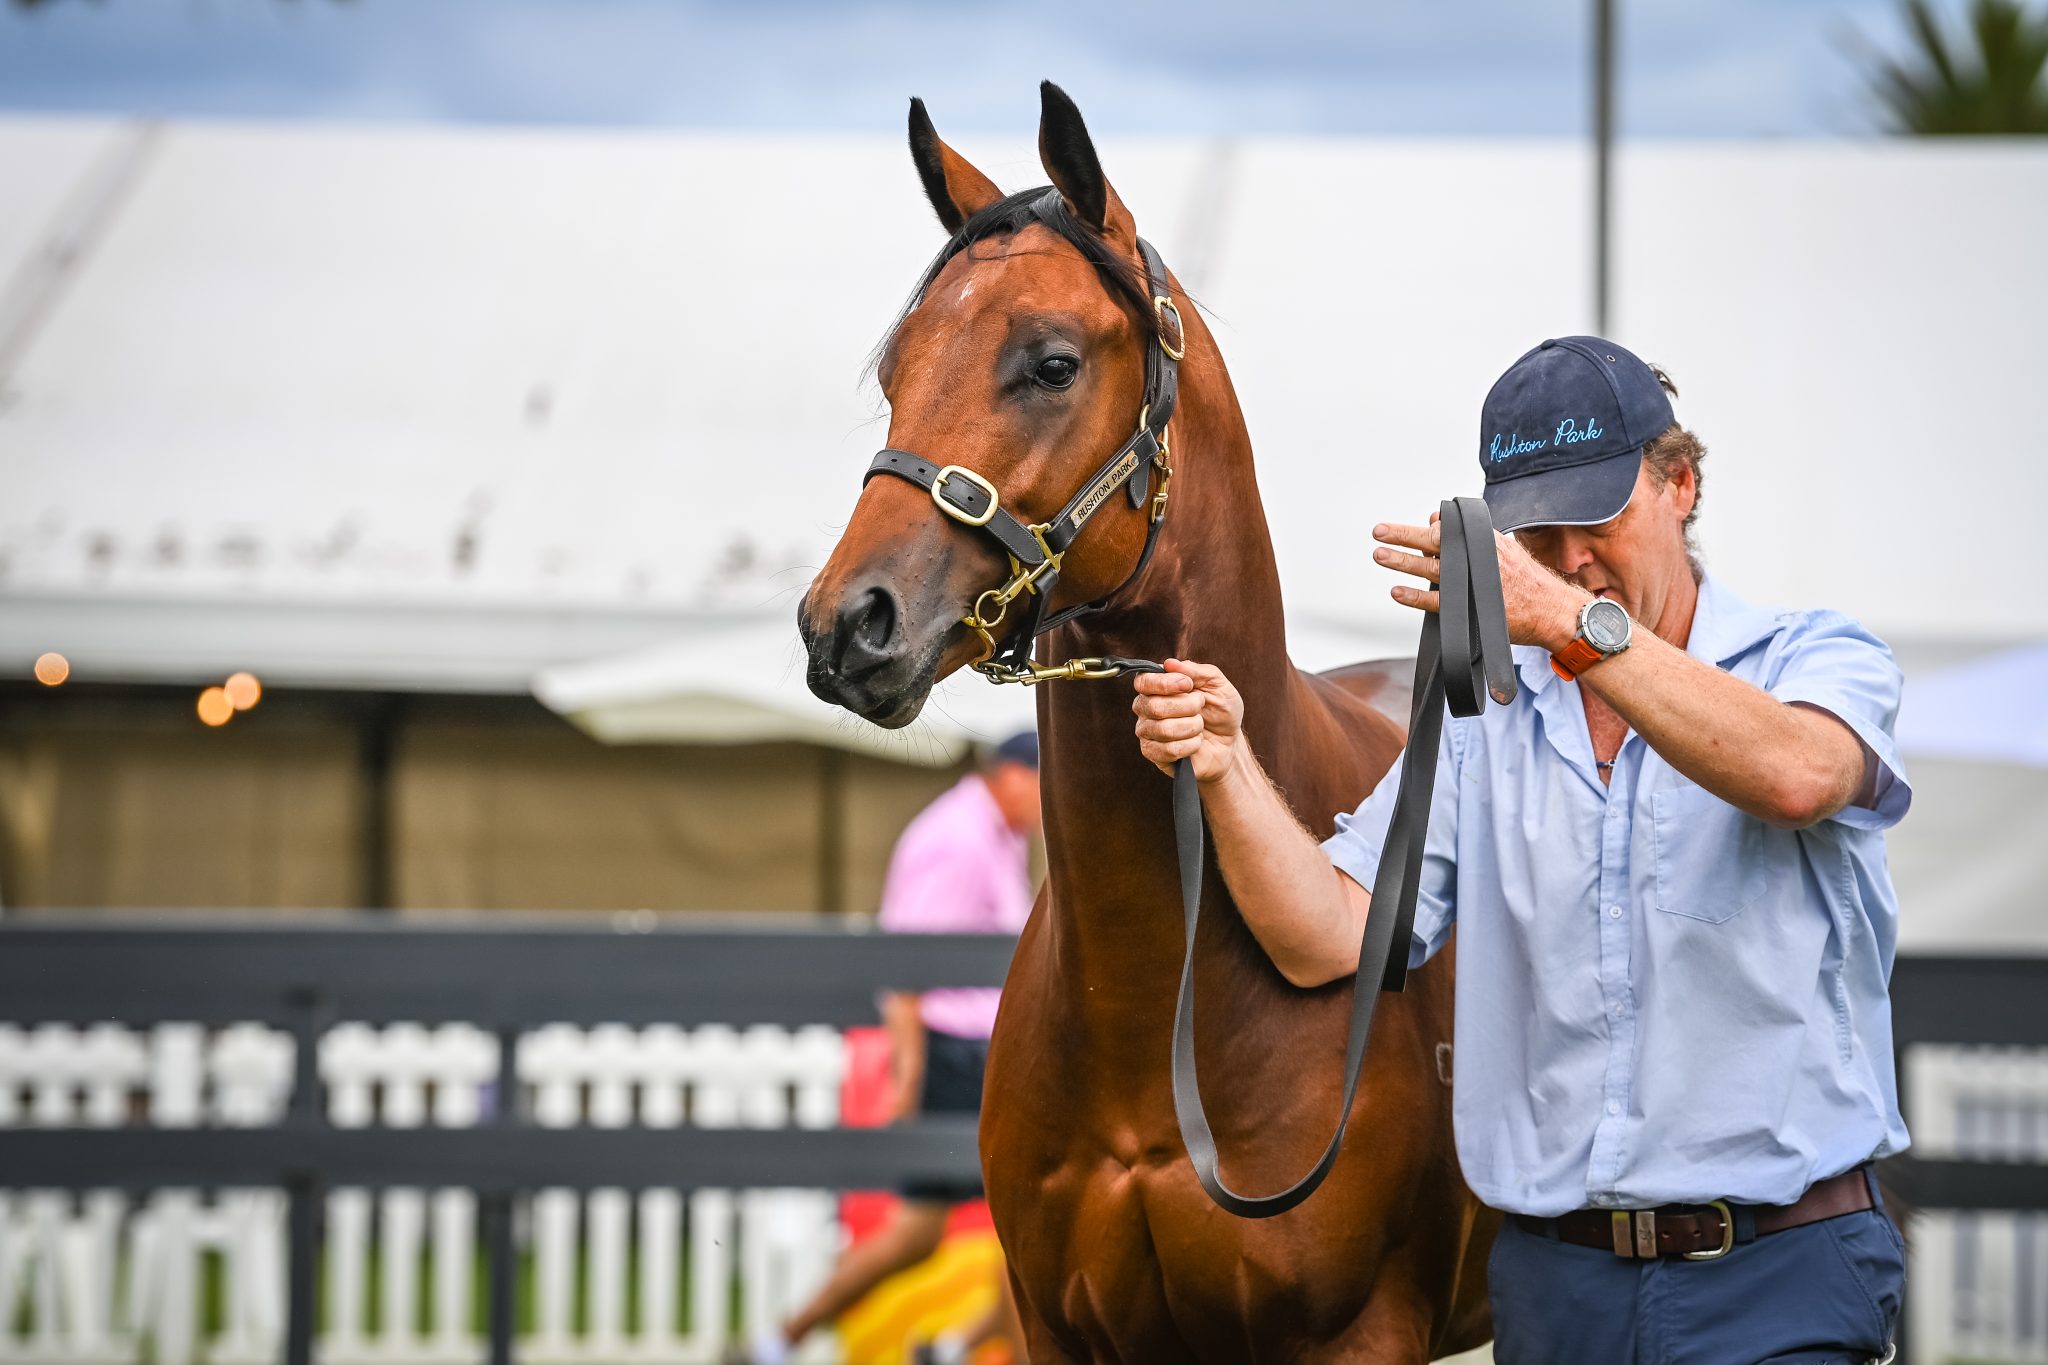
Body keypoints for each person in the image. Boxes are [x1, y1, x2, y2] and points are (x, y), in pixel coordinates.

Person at [1131, 337, 1911, 1365]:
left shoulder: (1810, 654)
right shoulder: (1486, 719)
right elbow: (1330, 936)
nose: (1566, 553)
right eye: (1532, 532)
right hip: (1553, 1289)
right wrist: (1227, 765)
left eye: (1594, 516)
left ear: (1678, 484)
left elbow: (1796, 776)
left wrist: (1568, 625)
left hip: (1776, 1269)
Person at [743, 731, 1039, 1365]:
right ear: (1015, 776)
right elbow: (907, 964)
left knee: (956, 1232)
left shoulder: (997, 834)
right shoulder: (959, 839)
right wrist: (906, 1071)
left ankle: (792, 1341)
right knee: (1012, 1227)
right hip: (957, 1055)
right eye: (1045, 784)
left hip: (972, 1052)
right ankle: (790, 1339)